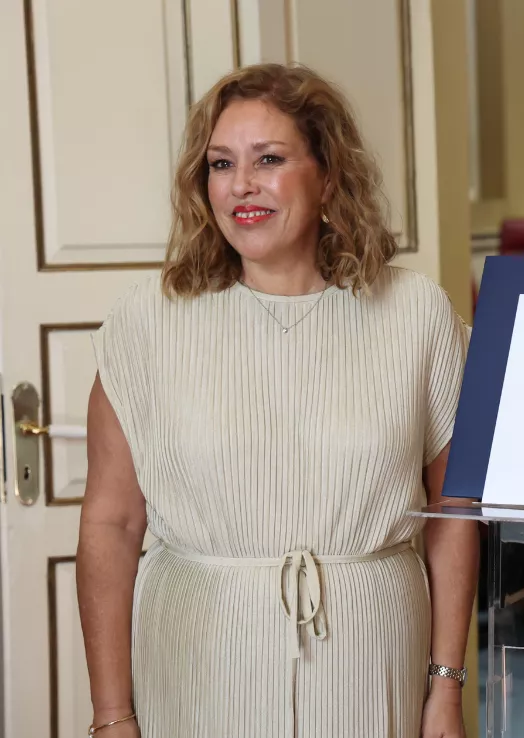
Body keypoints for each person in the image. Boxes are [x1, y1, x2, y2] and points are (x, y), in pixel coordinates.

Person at [77, 63, 476, 738]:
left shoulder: (415, 314)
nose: (242, 185)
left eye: (270, 159)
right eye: (221, 163)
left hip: (371, 653)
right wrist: (112, 716)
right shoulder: (145, 322)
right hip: (198, 657)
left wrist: (445, 687)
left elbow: (452, 511)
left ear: (327, 175)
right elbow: (111, 527)